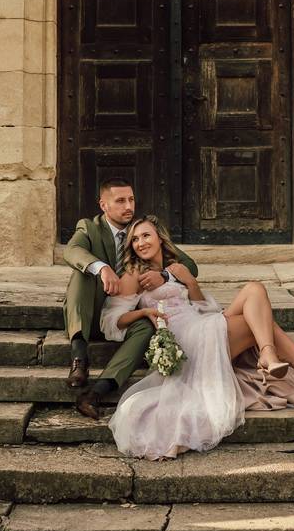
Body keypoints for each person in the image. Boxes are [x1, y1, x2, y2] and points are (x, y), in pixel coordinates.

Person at [102, 215, 294, 461]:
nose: (140, 243)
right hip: (186, 339)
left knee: (255, 290)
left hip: (201, 324)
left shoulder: (177, 268)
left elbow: (201, 307)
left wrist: (190, 283)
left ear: (160, 238)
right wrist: (145, 312)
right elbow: (112, 320)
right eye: (135, 239)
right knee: (261, 321)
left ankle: (273, 355)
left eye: (146, 236)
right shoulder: (134, 275)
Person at [61, 178, 199, 419]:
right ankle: (79, 358)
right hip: (91, 311)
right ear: (103, 205)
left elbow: (189, 265)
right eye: (120, 201)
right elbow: (71, 250)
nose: (128, 206)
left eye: (131, 200)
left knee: (147, 326)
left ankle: (97, 392)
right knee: (81, 273)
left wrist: (164, 275)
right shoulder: (89, 227)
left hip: (126, 312)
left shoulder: (141, 230)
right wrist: (102, 268)